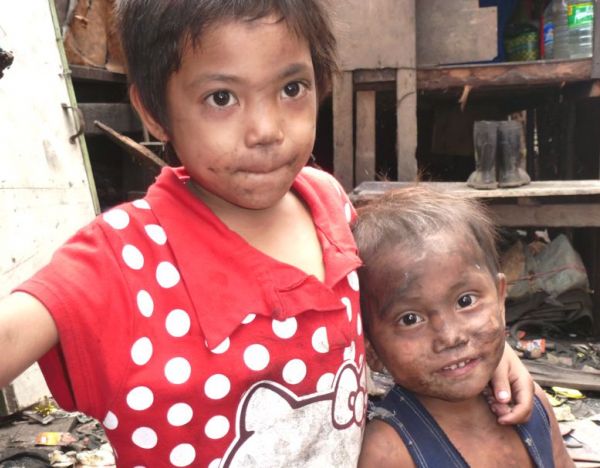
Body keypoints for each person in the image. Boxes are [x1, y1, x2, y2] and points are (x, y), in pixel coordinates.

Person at [0, 1, 533, 465]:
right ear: (154, 112)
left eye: (291, 88)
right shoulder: (123, 254)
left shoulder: (327, 203)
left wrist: (488, 358)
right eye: (221, 98)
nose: (267, 130)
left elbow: (406, 311)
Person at [354, 187, 573, 468]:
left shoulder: (531, 403)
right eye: (410, 319)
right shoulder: (388, 452)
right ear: (371, 348)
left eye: (465, 301)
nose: (451, 337)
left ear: (501, 296)